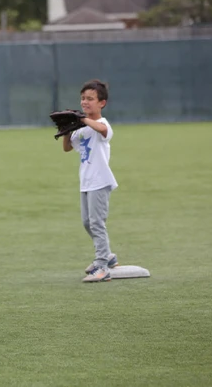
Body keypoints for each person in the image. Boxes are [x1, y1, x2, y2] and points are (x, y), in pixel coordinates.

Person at [62, 80, 119, 283]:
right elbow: (67, 148)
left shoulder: (102, 124)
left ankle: (102, 266)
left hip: (100, 181)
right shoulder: (82, 128)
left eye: (90, 99)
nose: (85, 102)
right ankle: (109, 256)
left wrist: (82, 119)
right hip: (86, 181)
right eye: (83, 98)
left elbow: (102, 131)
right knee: (88, 222)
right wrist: (67, 129)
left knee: (97, 222)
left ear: (101, 103)